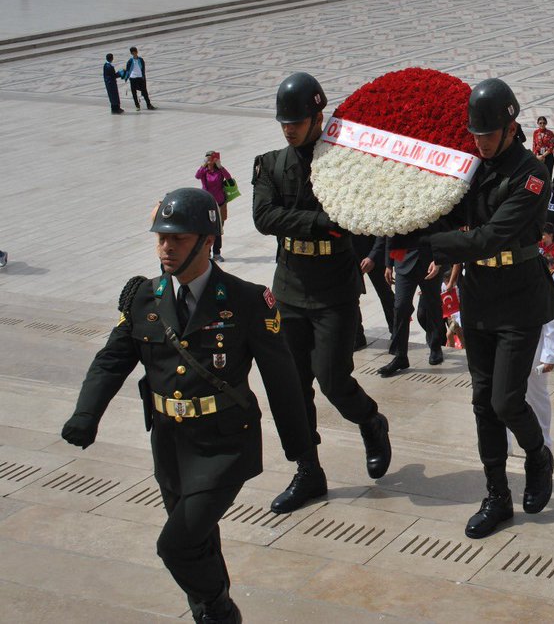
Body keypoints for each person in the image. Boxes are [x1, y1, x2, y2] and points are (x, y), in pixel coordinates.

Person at [61, 188, 313, 624]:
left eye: (178, 238)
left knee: (175, 545)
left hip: (224, 446)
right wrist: (86, 414)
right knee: (199, 541)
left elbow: (282, 378)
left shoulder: (246, 300)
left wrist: (300, 448)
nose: (166, 247)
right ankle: (208, 611)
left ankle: (219, 610)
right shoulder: (143, 297)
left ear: (207, 241)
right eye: (161, 237)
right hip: (170, 446)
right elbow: (112, 360)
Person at [395, 78, 554, 538]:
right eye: (476, 134)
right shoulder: (473, 168)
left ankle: (538, 455)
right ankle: (496, 496)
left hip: (520, 297)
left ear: (511, 128)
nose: (481, 142)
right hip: (480, 294)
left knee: (507, 400)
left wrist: (429, 244)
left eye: (488, 134)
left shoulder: (532, 174)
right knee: (483, 403)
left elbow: (490, 237)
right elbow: (449, 212)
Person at [252, 72, 391, 515]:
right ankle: (308, 470)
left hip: (333, 289)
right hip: (290, 287)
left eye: (296, 122)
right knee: (293, 387)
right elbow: (264, 217)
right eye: (284, 123)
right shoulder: (270, 164)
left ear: (318, 118)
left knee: (332, 378)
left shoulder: (344, 163)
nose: (288, 130)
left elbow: (355, 214)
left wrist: (323, 221)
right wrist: (316, 222)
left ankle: (370, 420)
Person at [379, 245, 446, 375]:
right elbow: (391, 235)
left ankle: (435, 346)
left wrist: (439, 258)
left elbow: (443, 233)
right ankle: (400, 356)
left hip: (431, 260)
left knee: (432, 304)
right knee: (400, 307)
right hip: (404, 260)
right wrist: (388, 264)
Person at [195, 151, 233, 262]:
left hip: (220, 204)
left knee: (218, 230)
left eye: (212, 158)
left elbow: (229, 178)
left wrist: (221, 166)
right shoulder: (204, 171)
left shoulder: (219, 171)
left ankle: (217, 253)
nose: (210, 161)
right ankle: (207, 254)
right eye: (208, 158)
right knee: (208, 230)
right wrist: (203, 165)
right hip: (207, 204)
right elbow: (197, 176)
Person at [123, 46, 156, 110]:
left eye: (135, 52)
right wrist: (126, 77)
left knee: (144, 91)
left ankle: (149, 105)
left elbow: (143, 69)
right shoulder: (130, 61)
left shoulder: (141, 60)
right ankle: (137, 105)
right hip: (133, 78)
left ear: (137, 52)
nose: (134, 54)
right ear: (131, 53)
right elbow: (128, 70)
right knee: (134, 92)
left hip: (140, 77)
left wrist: (143, 76)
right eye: (133, 53)